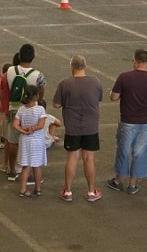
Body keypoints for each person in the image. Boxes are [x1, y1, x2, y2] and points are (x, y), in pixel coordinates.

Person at [107, 49, 147, 195]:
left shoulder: (124, 77)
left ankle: (118, 181)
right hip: (146, 122)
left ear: (134, 61)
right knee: (140, 153)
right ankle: (133, 185)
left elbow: (113, 97)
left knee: (123, 151)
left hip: (127, 121)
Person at [53, 55, 104, 202]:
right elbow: (99, 98)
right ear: (85, 66)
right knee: (89, 158)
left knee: (72, 158)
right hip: (91, 126)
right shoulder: (95, 81)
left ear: (72, 67)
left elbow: (56, 104)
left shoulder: (64, 84)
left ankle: (68, 191)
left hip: (73, 127)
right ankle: (91, 192)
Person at [0, 44, 46, 182]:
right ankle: (28, 172)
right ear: (33, 57)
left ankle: (12, 170)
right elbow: (41, 93)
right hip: (31, 112)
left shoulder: (10, 71)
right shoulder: (38, 75)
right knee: (30, 142)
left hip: (14, 109)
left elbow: (3, 89)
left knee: (13, 142)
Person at [14, 84, 47, 197]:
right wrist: (33, 128)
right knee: (37, 166)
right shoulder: (40, 109)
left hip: (25, 140)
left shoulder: (21, 109)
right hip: (37, 141)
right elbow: (41, 125)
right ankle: (38, 189)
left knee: (25, 166)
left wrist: (23, 131)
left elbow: (15, 125)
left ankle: (23, 189)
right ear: (36, 96)